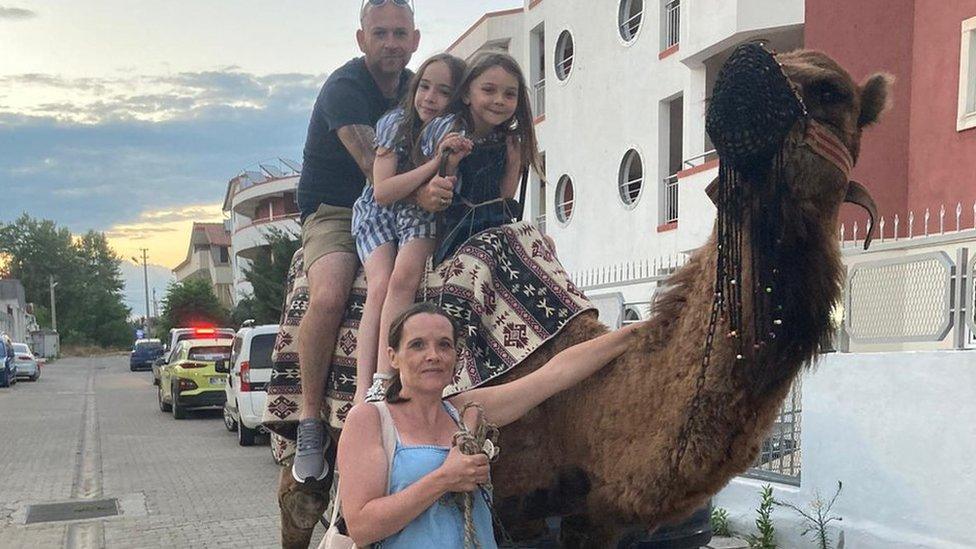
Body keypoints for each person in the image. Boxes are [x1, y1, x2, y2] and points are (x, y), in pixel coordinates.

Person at [292, 0, 454, 484]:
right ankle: (309, 417)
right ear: (361, 39)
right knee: (329, 292)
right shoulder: (346, 88)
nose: (390, 43)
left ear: (415, 40)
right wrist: (427, 188)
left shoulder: (418, 87)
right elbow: (373, 166)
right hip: (342, 207)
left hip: (413, 203)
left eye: (399, 34)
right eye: (380, 33)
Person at [336, 302, 644, 547]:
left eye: (444, 345)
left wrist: (634, 334)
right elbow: (363, 527)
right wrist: (444, 479)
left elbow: (555, 374)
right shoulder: (370, 419)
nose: (433, 355)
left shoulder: (467, 411)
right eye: (417, 345)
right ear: (393, 356)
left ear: (456, 356)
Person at [351, 53, 471, 406]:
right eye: (425, 87)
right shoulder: (394, 123)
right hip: (379, 213)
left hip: (414, 213)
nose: (430, 98)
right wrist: (433, 164)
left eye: (442, 91)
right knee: (381, 282)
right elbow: (383, 191)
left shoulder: (448, 127)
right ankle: (368, 385)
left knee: (403, 276)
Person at [419, 52, 544, 265]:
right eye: (488, 90)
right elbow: (442, 198)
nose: (499, 100)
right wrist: (449, 162)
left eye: (509, 94)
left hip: (488, 228)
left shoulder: (507, 140)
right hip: (449, 228)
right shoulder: (450, 130)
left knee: (544, 244)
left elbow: (502, 201)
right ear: (467, 95)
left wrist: (514, 163)